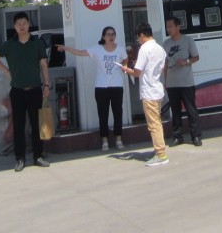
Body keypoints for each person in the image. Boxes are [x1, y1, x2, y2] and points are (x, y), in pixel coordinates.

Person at [0, 12, 52, 171]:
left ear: (28, 24)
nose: (22, 26)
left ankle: (38, 156)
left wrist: (46, 84)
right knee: (18, 126)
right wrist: (7, 72)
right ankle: (20, 159)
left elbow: (44, 65)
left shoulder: (37, 43)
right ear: (14, 26)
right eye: (19, 24)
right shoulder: (9, 44)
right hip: (17, 91)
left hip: (35, 90)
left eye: (24, 23)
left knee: (36, 125)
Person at [56, 26, 127, 151]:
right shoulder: (97, 49)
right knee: (103, 114)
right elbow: (80, 52)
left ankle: (118, 139)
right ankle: (104, 140)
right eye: (108, 34)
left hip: (116, 85)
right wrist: (66, 48)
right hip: (101, 87)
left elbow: (125, 60)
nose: (111, 37)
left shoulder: (120, 49)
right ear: (103, 36)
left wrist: (124, 66)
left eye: (113, 34)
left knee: (118, 113)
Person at [119, 23, 168, 166]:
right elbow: (162, 68)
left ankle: (161, 154)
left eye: (138, 37)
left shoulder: (144, 49)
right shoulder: (160, 48)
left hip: (148, 91)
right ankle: (158, 150)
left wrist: (126, 70)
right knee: (156, 122)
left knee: (154, 124)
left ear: (141, 35)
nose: (138, 40)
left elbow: (137, 72)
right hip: (157, 89)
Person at [163, 17, 202, 146]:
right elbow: (165, 63)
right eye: (167, 27)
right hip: (172, 83)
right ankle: (177, 136)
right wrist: (165, 81)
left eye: (171, 26)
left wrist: (186, 62)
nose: (168, 29)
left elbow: (196, 57)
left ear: (178, 27)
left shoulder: (188, 40)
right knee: (175, 111)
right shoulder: (166, 44)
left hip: (186, 83)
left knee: (191, 110)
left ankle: (196, 136)